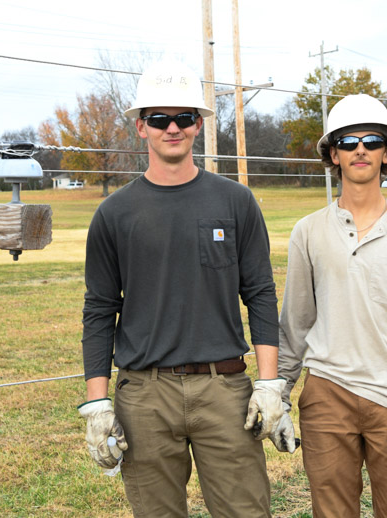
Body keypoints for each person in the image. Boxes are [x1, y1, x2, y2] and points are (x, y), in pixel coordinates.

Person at [77, 60, 294, 518]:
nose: (171, 128)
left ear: (199, 125)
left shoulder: (235, 201)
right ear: (141, 127)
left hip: (226, 390)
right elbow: (99, 310)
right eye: (159, 119)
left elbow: (260, 291)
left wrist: (271, 385)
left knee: (246, 511)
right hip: (144, 395)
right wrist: (97, 404)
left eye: (183, 118)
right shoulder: (114, 214)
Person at [278, 94, 387, 518]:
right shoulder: (308, 232)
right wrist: (279, 395)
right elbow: (295, 323)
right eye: (348, 140)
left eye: (372, 140)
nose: (361, 148)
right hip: (327, 394)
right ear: (333, 154)